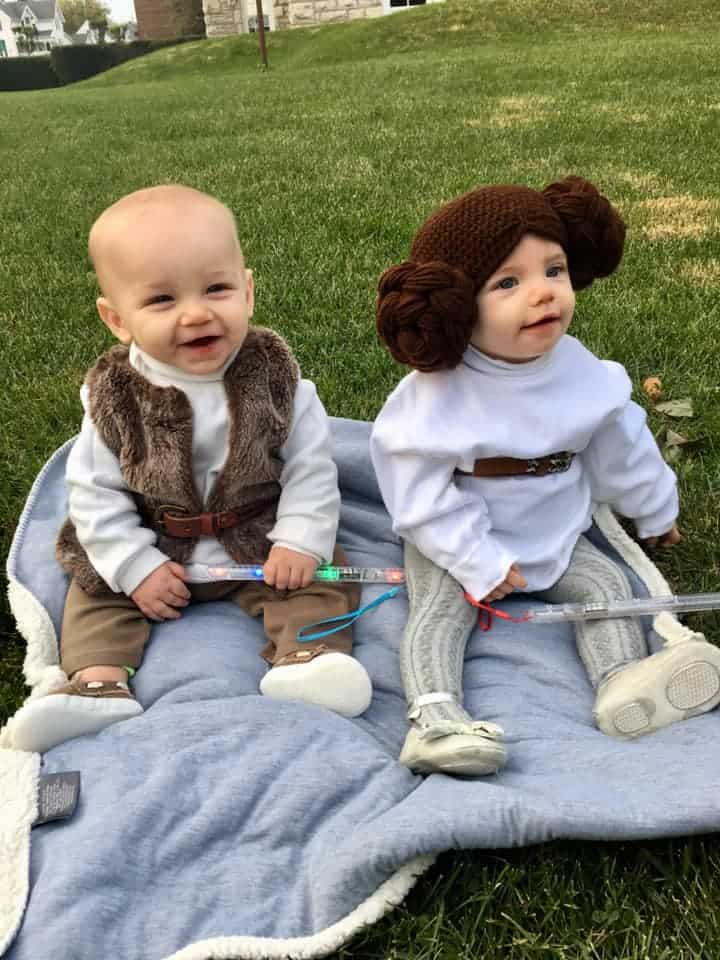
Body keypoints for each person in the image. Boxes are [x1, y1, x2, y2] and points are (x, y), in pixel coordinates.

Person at [370, 175, 720, 776]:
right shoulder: (436, 396)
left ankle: (621, 685)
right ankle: (436, 718)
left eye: (553, 270)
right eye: (508, 282)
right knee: (437, 612)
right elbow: (417, 493)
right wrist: (475, 558)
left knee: (607, 590)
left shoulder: (585, 375)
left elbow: (623, 448)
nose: (543, 294)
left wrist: (656, 511)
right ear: (456, 305)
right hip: (460, 532)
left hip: (555, 529)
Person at [12, 184, 372, 754]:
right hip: (157, 536)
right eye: (161, 301)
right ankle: (96, 682)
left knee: (317, 579)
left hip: (259, 536)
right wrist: (134, 566)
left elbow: (310, 472)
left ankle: (310, 658)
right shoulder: (112, 396)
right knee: (94, 587)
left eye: (217, 288)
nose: (197, 312)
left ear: (248, 291)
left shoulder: (280, 385)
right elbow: (94, 493)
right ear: (116, 318)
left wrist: (299, 541)